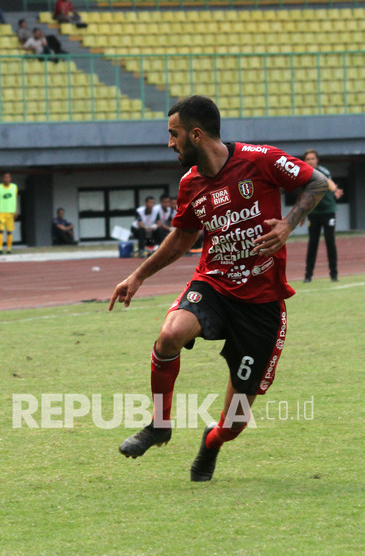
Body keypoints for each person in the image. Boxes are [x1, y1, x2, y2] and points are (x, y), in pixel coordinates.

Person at [109, 95, 328, 482]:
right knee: (169, 336)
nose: (170, 143)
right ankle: (160, 425)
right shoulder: (190, 183)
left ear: (196, 134)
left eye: (174, 135)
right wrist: (139, 275)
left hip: (262, 303)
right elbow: (181, 240)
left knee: (235, 423)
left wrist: (288, 224)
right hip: (214, 284)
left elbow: (317, 182)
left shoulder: (259, 160)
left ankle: (211, 443)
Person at [302, 149, 343, 283]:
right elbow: (304, 196)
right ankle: (308, 276)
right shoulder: (303, 175)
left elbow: (329, 182)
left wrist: (335, 189)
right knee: (312, 244)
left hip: (328, 212)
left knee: (330, 242)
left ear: (317, 160)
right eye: (308, 159)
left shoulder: (323, 171)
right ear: (305, 161)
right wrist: (302, 214)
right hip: (313, 214)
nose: (311, 161)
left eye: (313, 158)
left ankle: (334, 275)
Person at [0, 172, 18, 254]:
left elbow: (15, 199)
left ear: (10, 178)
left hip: (10, 212)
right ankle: (0, 249)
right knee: (0, 230)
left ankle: (9, 249)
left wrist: (15, 210)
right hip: (0, 212)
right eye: (5, 177)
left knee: (9, 231)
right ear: (2, 178)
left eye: (8, 177)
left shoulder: (14, 187)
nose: (6, 179)